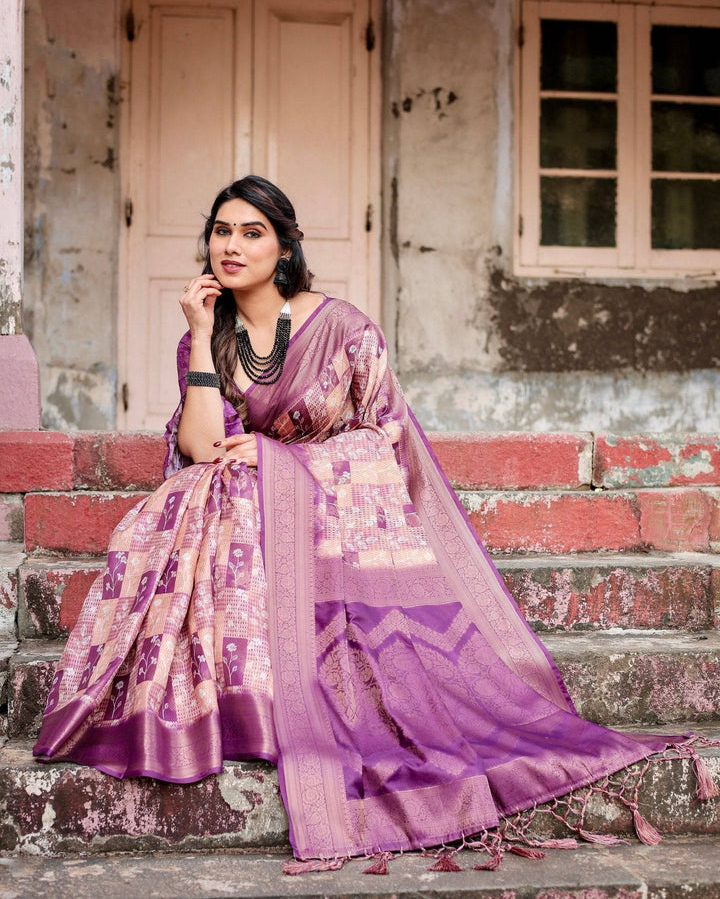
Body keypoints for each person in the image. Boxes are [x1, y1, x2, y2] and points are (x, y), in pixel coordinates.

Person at [33, 176, 716, 872]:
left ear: (285, 246)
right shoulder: (209, 342)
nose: (231, 246)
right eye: (221, 231)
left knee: (241, 476)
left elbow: (382, 440)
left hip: (334, 516)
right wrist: (202, 336)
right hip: (250, 514)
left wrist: (280, 461)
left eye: (251, 232)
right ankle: (240, 697)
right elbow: (205, 448)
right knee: (211, 486)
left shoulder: (344, 328)